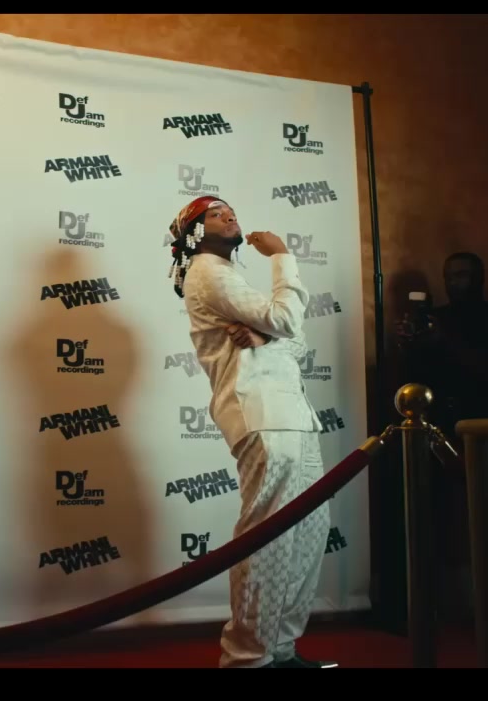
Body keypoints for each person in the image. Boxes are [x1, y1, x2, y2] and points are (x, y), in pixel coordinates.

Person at [168, 195, 336, 669]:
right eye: (214, 213)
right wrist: (281, 257)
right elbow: (287, 319)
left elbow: (295, 339)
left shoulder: (231, 277)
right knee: (270, 539)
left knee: (308, 532)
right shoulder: (207, 271)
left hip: (292, 413)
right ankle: (247, 659)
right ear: (193, 232)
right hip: (262, 413)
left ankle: (279, 650)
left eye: (231, 210)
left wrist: (265, 335)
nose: (229, 214)